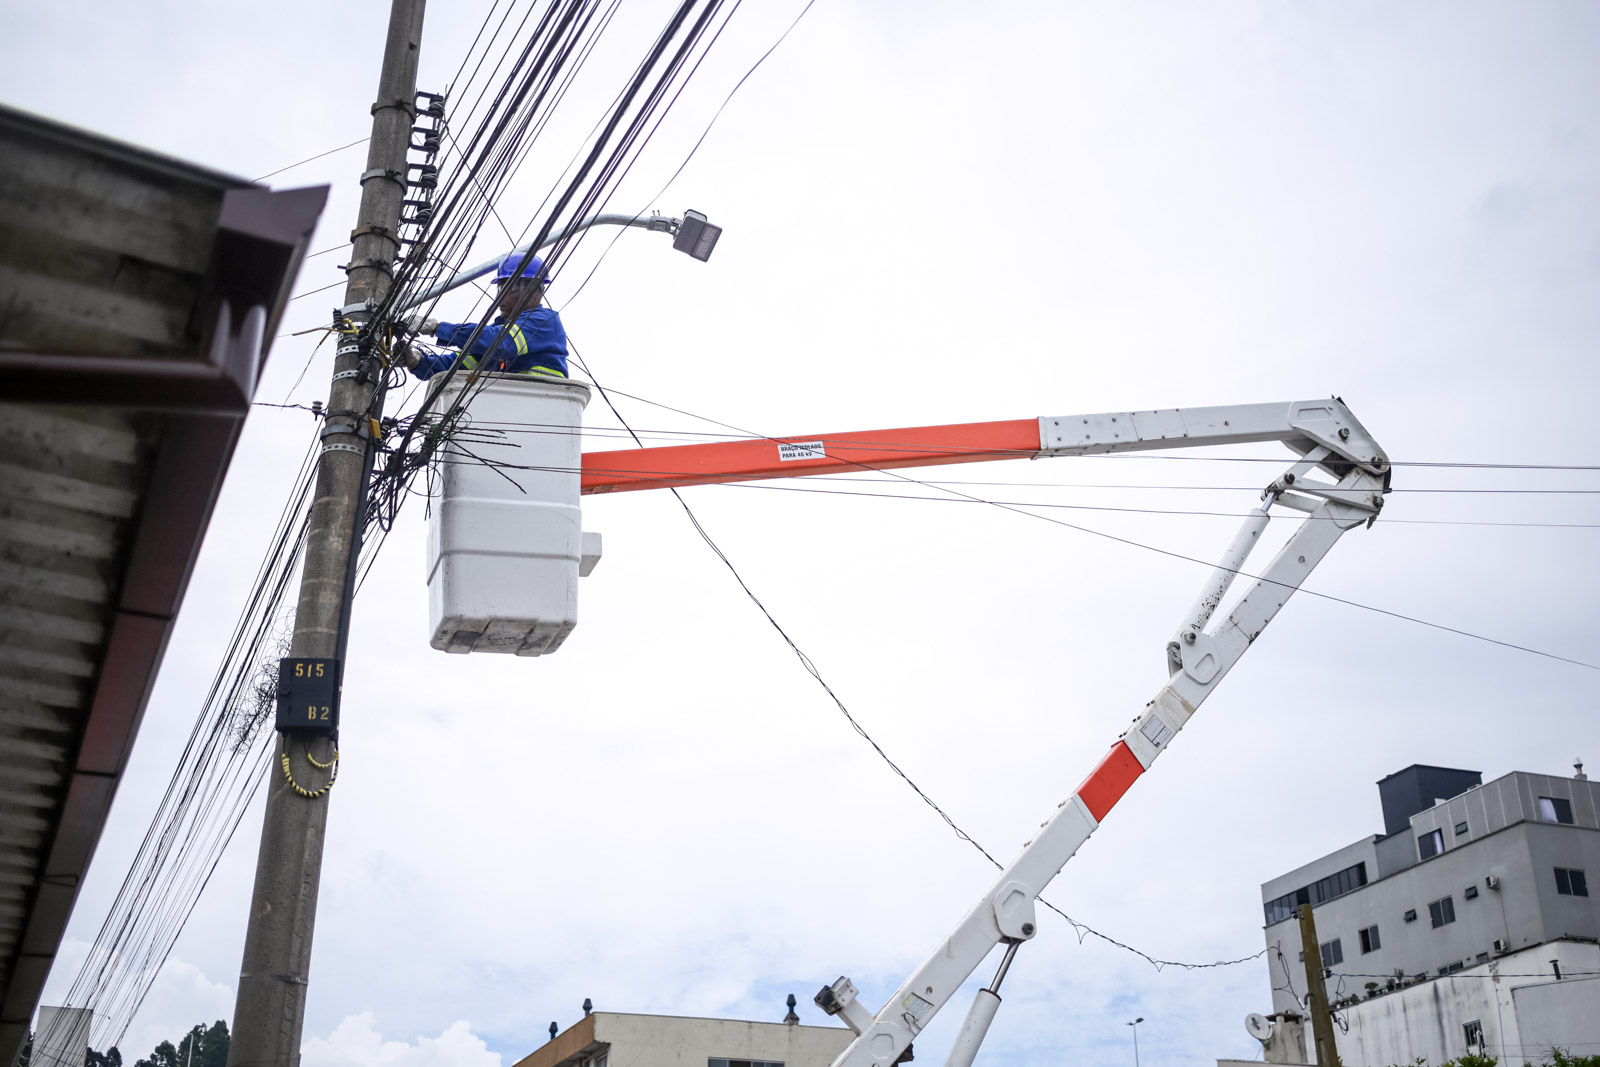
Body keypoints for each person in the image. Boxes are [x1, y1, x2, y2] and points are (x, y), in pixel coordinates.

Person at [400, 252, 568, 380]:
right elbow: (453, 367)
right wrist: (417, 361)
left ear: (533, 292)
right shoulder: (494, 335)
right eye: (500, 289)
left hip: (542, 406)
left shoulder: (545, 321)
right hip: (508, 408)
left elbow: (500, 343)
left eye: (509, 289)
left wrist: (438, 328)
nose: (500, 297)